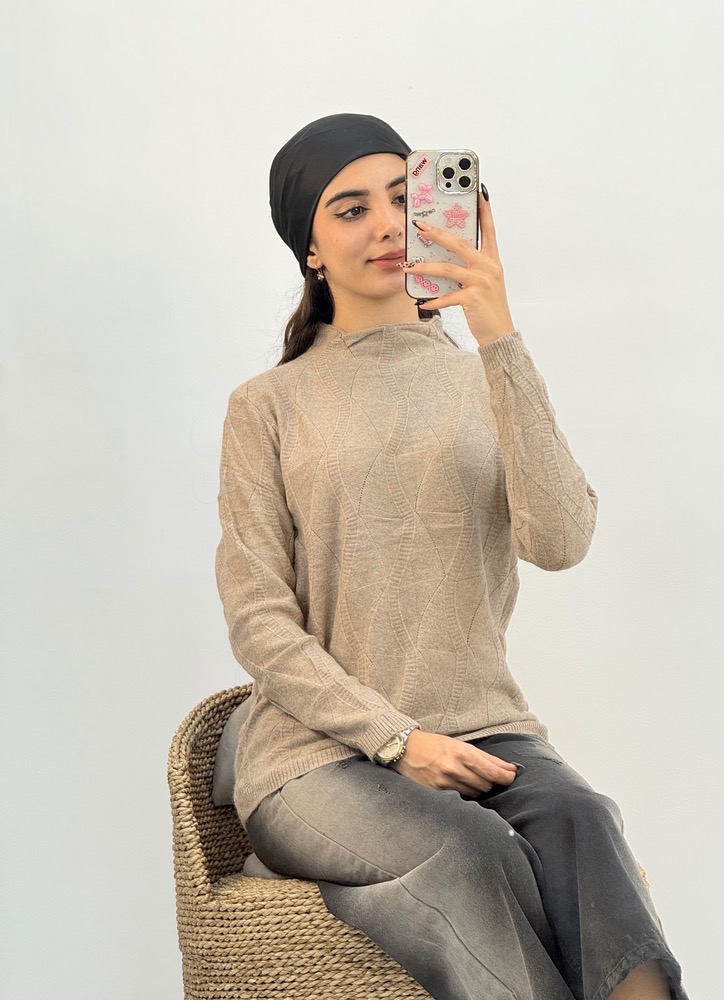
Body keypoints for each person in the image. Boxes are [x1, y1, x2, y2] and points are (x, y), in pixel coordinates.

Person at [215, 113, 688, 1000]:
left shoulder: (485, 378)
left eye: (405, 198)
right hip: (318, 756)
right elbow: (258, 621)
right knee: (472, 849)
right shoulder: (267, 407)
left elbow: (562, 542)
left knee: (583, 821)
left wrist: (498, 334)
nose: (388, 224)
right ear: (310, 251)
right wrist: (396, 740)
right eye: (351, 209)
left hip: (485, 728)